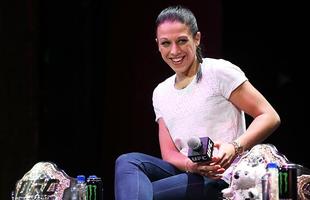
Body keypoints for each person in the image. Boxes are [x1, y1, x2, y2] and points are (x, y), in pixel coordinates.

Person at [114, 5, 281, 200]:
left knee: (143, 193)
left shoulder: (218, 72)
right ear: (158, 45)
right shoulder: (160, 92)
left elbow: (269, 116)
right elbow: (168, 153)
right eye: (166, 43)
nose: (174, 51)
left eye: (182, 41)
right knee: (128, 162)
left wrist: (234, 147)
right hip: (190, 172)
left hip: (223, 175)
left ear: (197, 38)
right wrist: (191, 165)